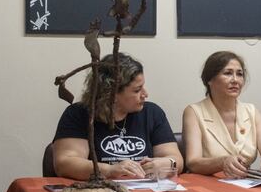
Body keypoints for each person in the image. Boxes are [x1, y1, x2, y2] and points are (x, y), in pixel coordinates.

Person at [53, 53, 183, 180]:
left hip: (147, 191)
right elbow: (65, 164)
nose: (145, 94)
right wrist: (110, 170)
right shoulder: (78, 114)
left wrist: (168, 163)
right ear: (111, 94)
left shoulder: (152, 113)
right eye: (137, 90)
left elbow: (176, 159)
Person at [183, 51, 261, 178]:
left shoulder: (251, 111)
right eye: (228, 73)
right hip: (209, 183)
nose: (235, 80)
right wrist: (222, 162)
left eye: (239, 74)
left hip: (245, 184)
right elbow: (193, 162)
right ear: (209, 79)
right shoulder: (194, 111)